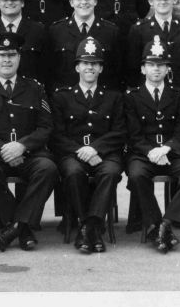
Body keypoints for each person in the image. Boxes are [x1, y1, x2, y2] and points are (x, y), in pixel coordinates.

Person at [0, 32, 58, 252]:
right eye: (1, 54)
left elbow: (46, 127)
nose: (7, 59)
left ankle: (14, 227)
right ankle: (22, 228)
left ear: (19, 58)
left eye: (12, 55)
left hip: (28, 152)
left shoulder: (35, 89)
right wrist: (3, 148)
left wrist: (22, 146)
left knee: (48, 169)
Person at [124, 0, 180, 234]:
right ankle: (149, 221)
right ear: (151, 2)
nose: (163, 2)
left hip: (175, 98)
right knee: (140, 167)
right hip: (147, 100)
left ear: (175, 0)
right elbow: (134, 66)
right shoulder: (139, 29)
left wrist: (176, 90)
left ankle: (176, 218)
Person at [123, 36, 180, 253]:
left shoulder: (179, 95)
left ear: (168, 68)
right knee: (137, 175)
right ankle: (155, 222)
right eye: (151, 64)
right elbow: (133, 134)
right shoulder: (132, 97)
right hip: (144, 154)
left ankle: (166, 224)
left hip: (172, 153)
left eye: (161, 65)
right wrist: (151, 151)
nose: (156, 69)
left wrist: (167, 148)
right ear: (143, 69)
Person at [51, 36, 126, 254]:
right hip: (72, 154)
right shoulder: (62, 97)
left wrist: (96, 148)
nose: (90, 67)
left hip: (105, 154)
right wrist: (81, 151)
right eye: (85, 63)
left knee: (111, 172)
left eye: (94, 64)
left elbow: (120, 131)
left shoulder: (113, 97)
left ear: (101, 68)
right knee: (73, 173)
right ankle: (91, 227)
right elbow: (57, 135)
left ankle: (87, 229)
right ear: (77, 67)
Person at [47, 0, 122, 92]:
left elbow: (118, 74)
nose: (84, 2)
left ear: (96, 1)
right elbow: (50, 72)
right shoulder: (56, 31)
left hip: (101, 103)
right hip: (65, 102)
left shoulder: (111, 32)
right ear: (71, 2)